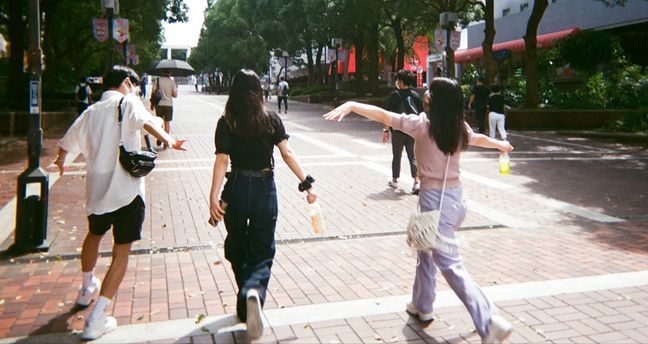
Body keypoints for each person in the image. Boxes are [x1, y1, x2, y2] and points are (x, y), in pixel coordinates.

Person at [324, 77, 514, 344]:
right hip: (456, 200)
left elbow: (384, 115)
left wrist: (353, 104)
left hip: (434, 201)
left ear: (434, 100)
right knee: (425, 252)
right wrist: (499, 145)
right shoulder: (459, 127)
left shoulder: (422, 126)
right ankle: (422, 304)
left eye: (430, 91)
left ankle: (488, 319)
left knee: (450, 265)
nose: (425, 93)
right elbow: (478, 138)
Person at [52, 65, 186, 341]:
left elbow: (67, 142)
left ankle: (87, 286)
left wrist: (60, 161)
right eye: (134, 85)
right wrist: (170, 141)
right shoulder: (128, 102)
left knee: (94, 234)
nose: (136, 90)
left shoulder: (90, 111)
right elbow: (146, 122)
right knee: (121, 251)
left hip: (97, 191)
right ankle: (97, 317)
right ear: (126, 82)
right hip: (126, 191)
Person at [208, 69, 316, 339]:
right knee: (262, 246)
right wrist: (306, 183)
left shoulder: (227, 121)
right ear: (258, 91)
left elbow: (222, 160)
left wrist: (213, 195)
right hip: (264, 188)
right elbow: (287, 152)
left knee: (236, 245)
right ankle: (253, 290)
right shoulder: (270, 118)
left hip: (235, 188)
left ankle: (246, 296)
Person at [384, 69, 422, 194]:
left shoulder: (395, 95)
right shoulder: (415, 95)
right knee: (413, 156)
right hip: (412, 131)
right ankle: (416, 182)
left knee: (397, 155)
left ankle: (394, 179)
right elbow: (421, 114)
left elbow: (388, 115)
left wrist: (386, 130)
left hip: (398, 130)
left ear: (400, 82)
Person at [154, 71, 178, 146]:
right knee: (167, 123)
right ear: (169, 73)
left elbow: (153, 91)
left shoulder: (157, 80)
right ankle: (166, 142)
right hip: (168, 105)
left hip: (159, 104)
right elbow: (175, 95)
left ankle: (159, 138)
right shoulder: (172, 82)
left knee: (159, 123)